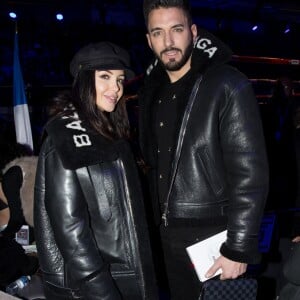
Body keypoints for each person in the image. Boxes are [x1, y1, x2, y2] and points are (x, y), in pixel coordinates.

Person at [138, 0, 269, 299]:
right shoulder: (151, 93)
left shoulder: (227, 83)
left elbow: (251, 174)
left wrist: (238, 247)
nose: (168, 42)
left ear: (193, 32)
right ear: (149, 40)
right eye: (158, 33)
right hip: (166, 236)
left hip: (214, 237)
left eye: (177, 29)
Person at [34, 42, 158, 299]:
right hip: (96, 288)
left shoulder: (110, 132)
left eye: (120, 79)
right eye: (105, 77)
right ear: (82, 81)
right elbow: (71, 233)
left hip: (126, 277)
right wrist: (102, 293)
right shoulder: (66, 136)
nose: (116, 88)